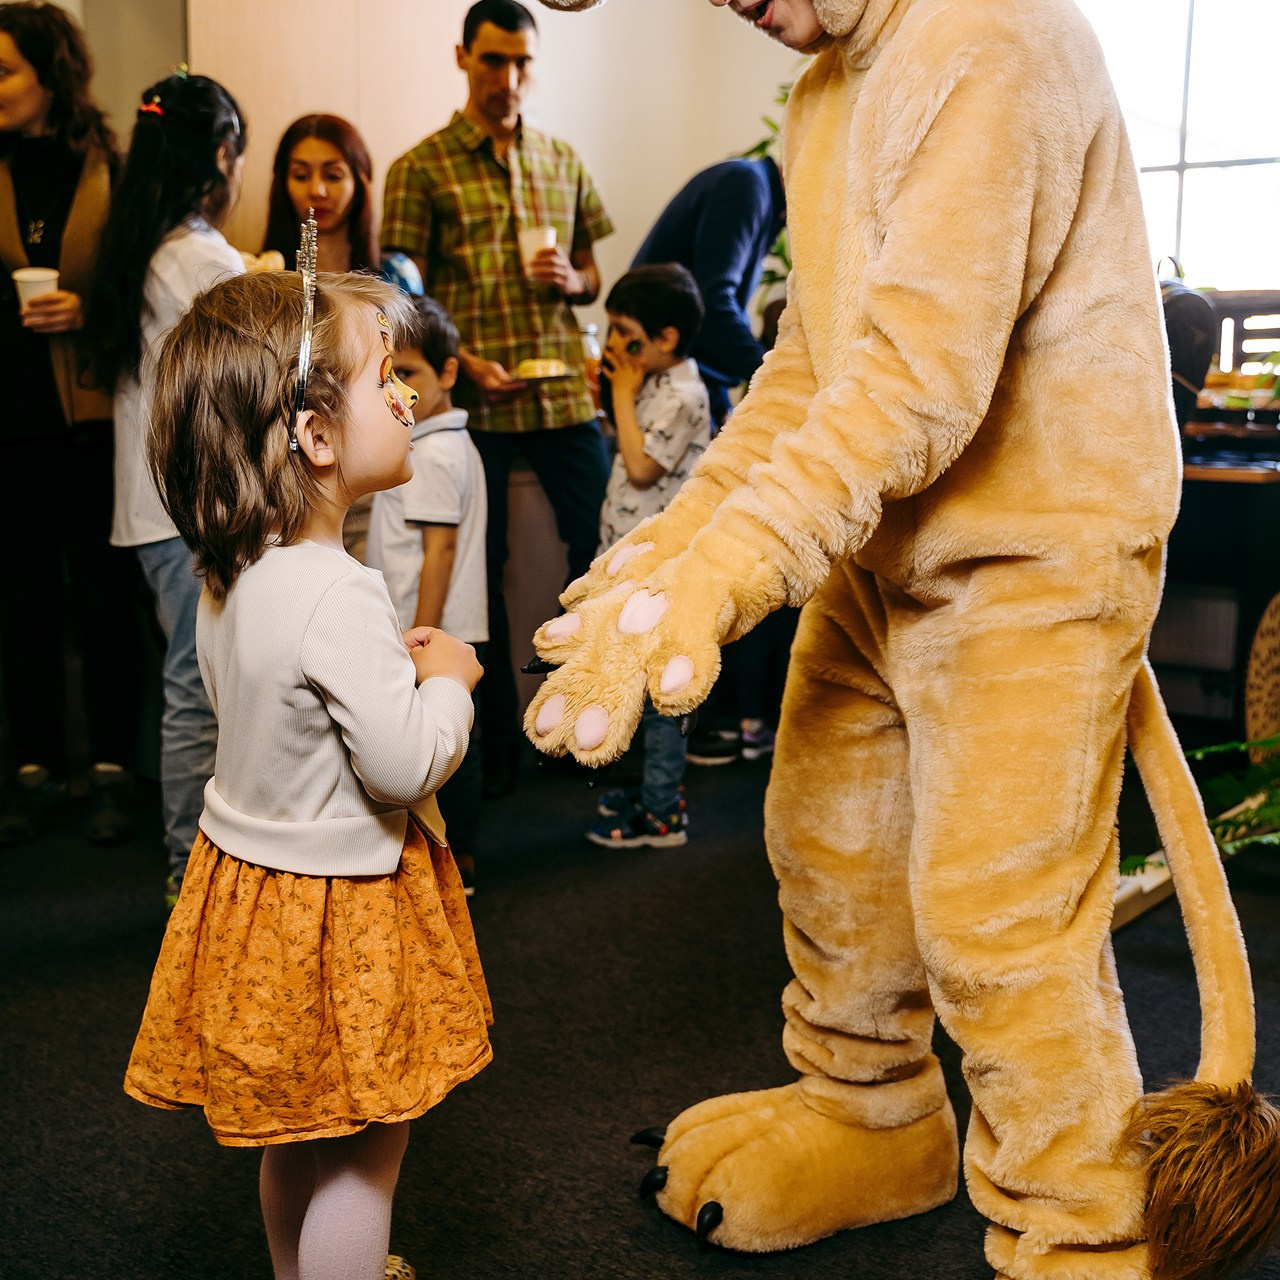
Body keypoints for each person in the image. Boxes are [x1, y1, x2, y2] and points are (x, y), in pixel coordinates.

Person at [527, 1, 1280, 1278]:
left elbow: (915, 379)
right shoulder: (826, 92)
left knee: (996, 911)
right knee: (824, 840)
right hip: (886, 542)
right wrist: (672, 551)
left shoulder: (994, 39)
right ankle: (866, 1110)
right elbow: (809, 369)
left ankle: (1083, 1211)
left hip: (1032, 551)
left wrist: (737, 565)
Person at [124, 269, 490, 1280]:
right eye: (386, 380)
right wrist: (448, 680)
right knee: (366, 1150)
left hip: (253, 898)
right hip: (340, 911)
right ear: (317, 437)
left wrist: (390, 673)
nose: (408, 397)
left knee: (295, 1128)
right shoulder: (338, 591)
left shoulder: (233, 570)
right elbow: (404, 762)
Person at [382, 0, 614, 798]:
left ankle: (587, 729)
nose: (507, 78)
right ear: (463, 58)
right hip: (469, 409)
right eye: (492, 61)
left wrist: (574, 279)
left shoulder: (561, 158)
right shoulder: (419, 168)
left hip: (560, 403)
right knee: (478, 581)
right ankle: (492, 759)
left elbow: (592, 276)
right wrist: (466, 363)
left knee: (603, 557)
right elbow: (399, 304)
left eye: (521, 62)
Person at [83, 73, 245, 905]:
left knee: (190, 687)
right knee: (201, 695)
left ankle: (195, 872)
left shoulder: (141, 248)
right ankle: (194, 880)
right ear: (223, 156)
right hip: (189, 510)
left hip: (147, 512)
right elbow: (260, 370)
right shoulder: (199, 257)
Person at [0, 0, 140, 846]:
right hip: (9, 422)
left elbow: (137, 289)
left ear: (51, 74)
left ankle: (115, 768)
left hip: (95, 425)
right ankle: (37, 767)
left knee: (102, 601)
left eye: (5, 70)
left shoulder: (111, 167)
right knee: (20, 603)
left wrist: (87, 308)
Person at [627, 152, 790, 768]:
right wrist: (778, 383)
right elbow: (714, 300)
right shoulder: (749, 186)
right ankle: (698, 719)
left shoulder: (741, 185)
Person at [583, 264, 709, 848]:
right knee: (630, 676)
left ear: (666, 341)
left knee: (664, 690)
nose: (613, 346)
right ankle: (648, 794)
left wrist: (619, 394)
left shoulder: (683, 392)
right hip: (632, 558)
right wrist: (616, 402)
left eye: (625, 334)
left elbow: (641, 469)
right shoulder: (655, 382)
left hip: (664, 566)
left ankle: (664, 811)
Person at [367, 295, 488, 892]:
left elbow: (438, 551)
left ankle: (456, 860)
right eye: (387, 375)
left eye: (410, 373)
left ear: (447, 373)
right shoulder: (447, 441)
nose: (399, 390)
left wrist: (423, 640)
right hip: (444, 624)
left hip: (436, 626)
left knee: (449, 752)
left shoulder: (434, 452)